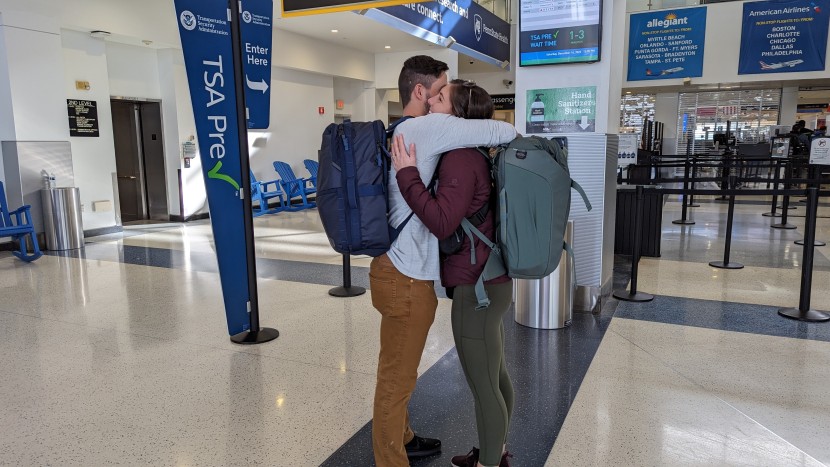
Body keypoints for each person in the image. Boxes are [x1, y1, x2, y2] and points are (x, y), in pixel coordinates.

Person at [369, 58, 517, 467]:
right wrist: (409, 176)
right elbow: (504, 129)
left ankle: (405, 438)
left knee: (399, 372)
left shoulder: (404, 129)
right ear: (421, 93)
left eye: (444, 95)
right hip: (406, 276)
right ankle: (391, 459)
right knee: (396, 380)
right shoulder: (428, 128)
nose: (437, 99)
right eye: (438, 91)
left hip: (398, 269)